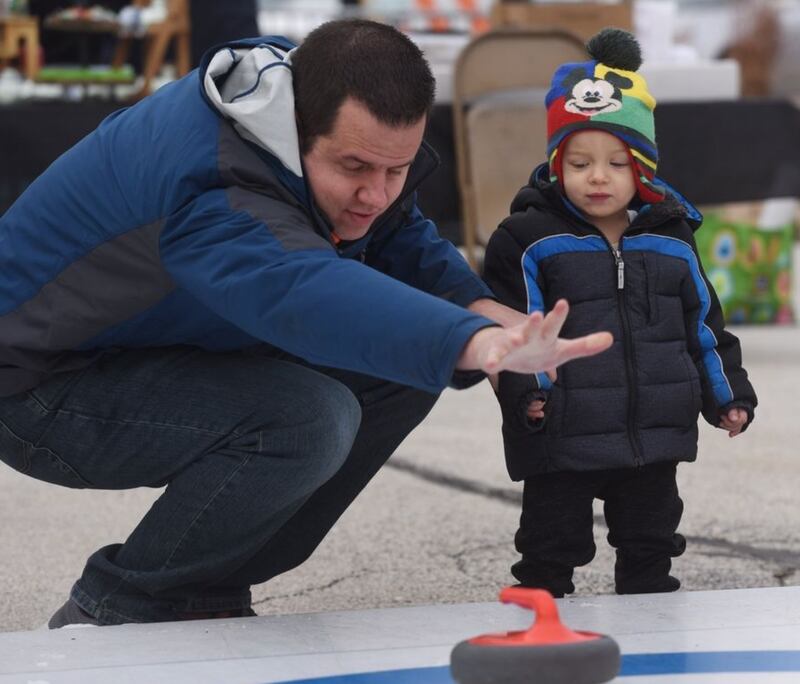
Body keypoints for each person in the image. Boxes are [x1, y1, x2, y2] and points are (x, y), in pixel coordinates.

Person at [0, 19, 612, 627]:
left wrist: (479, 311)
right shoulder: (214, 182)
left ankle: (204, 586)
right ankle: (119, 605)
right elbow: (301, 291)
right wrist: (471, 340)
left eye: (395, 170)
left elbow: (398, 230)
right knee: (305, 420)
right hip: (38, 387)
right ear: (298, 131)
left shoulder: (302, 90)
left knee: (401, 367)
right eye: (355, 168)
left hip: (138, 344)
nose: (375, 193)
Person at [483, 28, 757, 598]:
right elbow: (516, 327)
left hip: (654, 427)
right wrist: (528, 394)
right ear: (557, 165)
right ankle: (541, 595)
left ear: (644, 170)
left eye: (617, 162)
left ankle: (649, 592)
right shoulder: (529, 238)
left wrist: (728, 394)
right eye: (579, 162)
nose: (598, 176)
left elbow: (703, 325)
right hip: (562, 426)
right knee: (550, 535)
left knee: (651, 531)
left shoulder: (672, 237)